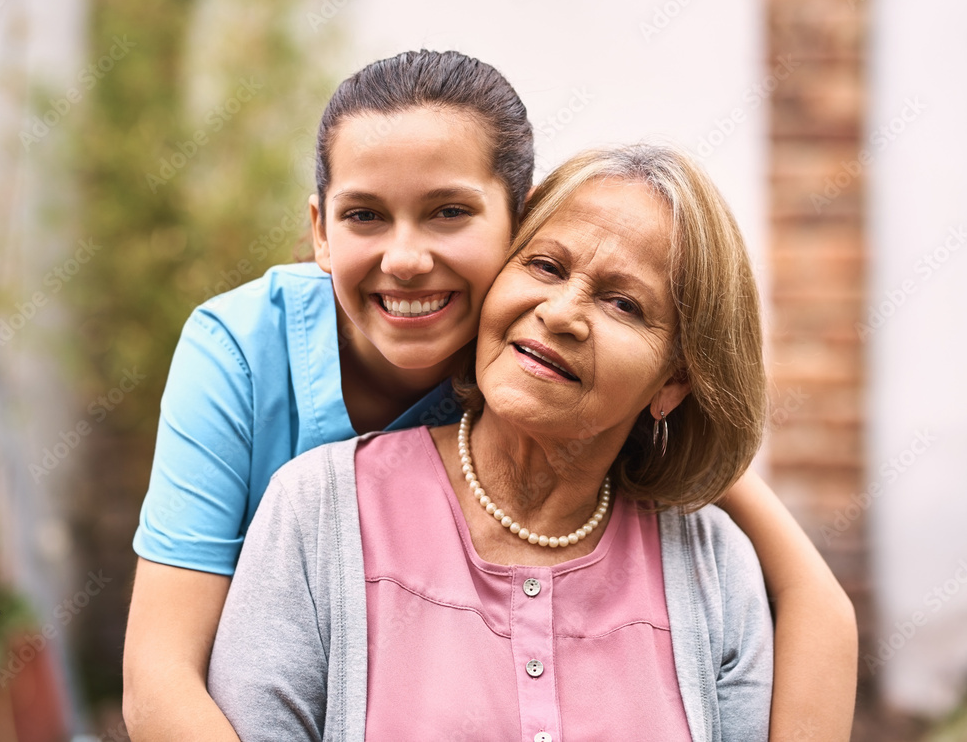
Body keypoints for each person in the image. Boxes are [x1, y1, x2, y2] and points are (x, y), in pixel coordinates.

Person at [122, 52, 856, 741]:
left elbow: (808, 596)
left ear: (517, 217)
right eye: (363, 214)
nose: (407, 261)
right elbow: (157, 677)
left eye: (449, 212)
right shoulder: (252, 367)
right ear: (319, 230)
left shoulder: (697, 551)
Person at [209, 143, 785, 740]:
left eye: (623, 303)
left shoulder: (714, 569)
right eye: (545, 266)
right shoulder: (318, 508)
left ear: (672, 381)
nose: (562, 313)